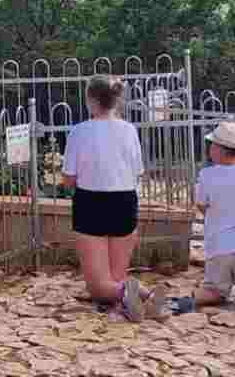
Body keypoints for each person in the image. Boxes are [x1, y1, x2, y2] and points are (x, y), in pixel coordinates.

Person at [62, 75, 165, 322]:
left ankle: (136, 294)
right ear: (116, 100)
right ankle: (141, 297)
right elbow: (138, 170)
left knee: (98, 287)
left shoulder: (79, 132)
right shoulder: (129, 130)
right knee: (116, 278)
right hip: (125, 201)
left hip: (91, 202)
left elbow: (69, 179)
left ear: (90, 99)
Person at [171, 122, 235, 321]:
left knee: (214, 290)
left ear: (218, 149)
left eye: (212, 144)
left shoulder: (206, 175)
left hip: (218, 246)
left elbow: (201, 205)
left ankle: (191, 300)